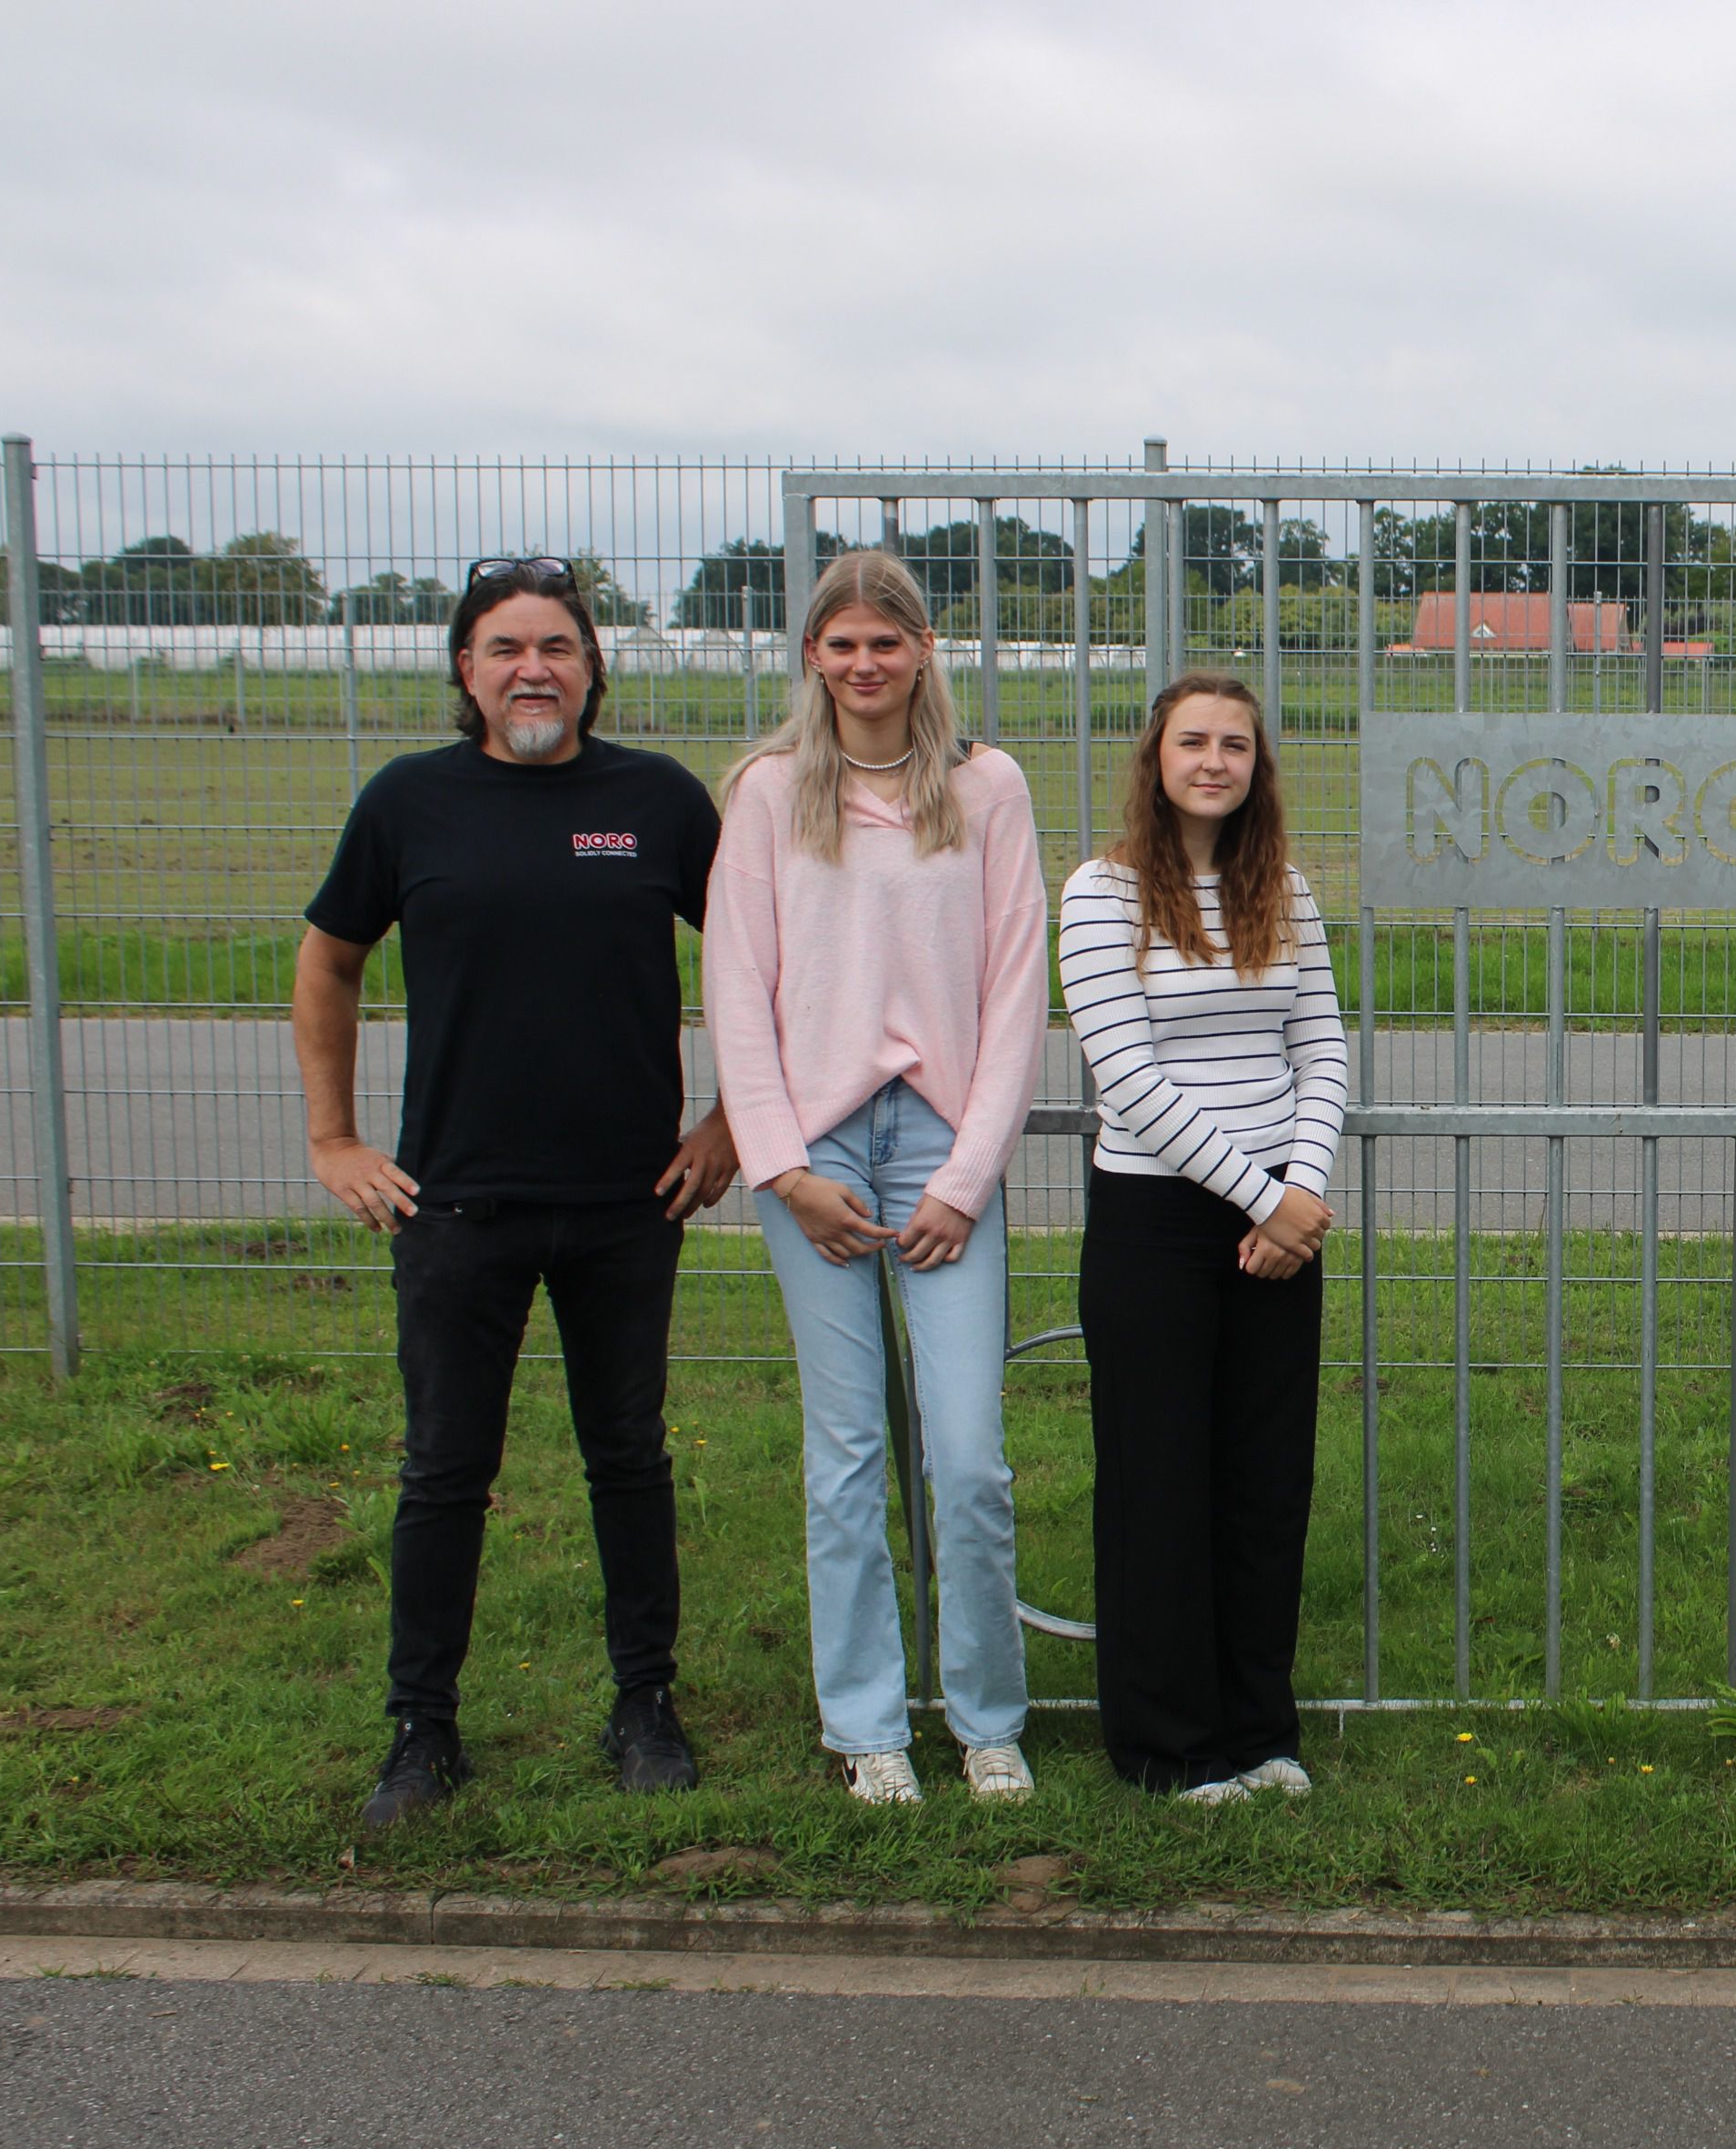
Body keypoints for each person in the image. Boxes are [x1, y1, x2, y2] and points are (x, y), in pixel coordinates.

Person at [294, 556, 737, 1827]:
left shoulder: (658, 801)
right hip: (453, 1206)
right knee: (444, 1470)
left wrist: (730, 1121)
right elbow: (328, 964)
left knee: (627, 1457)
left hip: (627, 1203)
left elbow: (760, 964)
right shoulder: (408, 803)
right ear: (465, 670)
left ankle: (644, 1703)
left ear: (593, 668)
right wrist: (334, 1139)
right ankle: (421, 1731)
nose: (531, 669)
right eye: (504, 648)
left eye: (556, 646)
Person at [703, 550, 1047, 1806]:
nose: (864, 665)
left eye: (885, 643)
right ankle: (867, 1727)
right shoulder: (767, 793)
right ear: (813, 656)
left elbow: (1017, 991)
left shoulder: (987, 787)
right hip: (819, 1156)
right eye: (842, 645)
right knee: (847, 1451)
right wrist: (783, 1167)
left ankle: (988, 1719)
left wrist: (968, 1177)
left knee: (968, 1455)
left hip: (944, 1150)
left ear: (923, 651)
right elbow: (736, 988)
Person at [1058, 674, 1346, 1803]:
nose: (1214, 760)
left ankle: (1259, 1731)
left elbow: (1321, 1046)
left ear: (1258, 765)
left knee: (1264, 1484)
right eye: (1194, 741)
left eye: (1235, 743)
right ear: (1157, 757)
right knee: (1160, 1482)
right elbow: (1126, 1075)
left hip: (1282, 1223)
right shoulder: (1102, 892)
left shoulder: (1287, 889)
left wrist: (1299, 1188)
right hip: (1158, 1222)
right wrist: (1258, 1196)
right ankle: (1167, 1746)